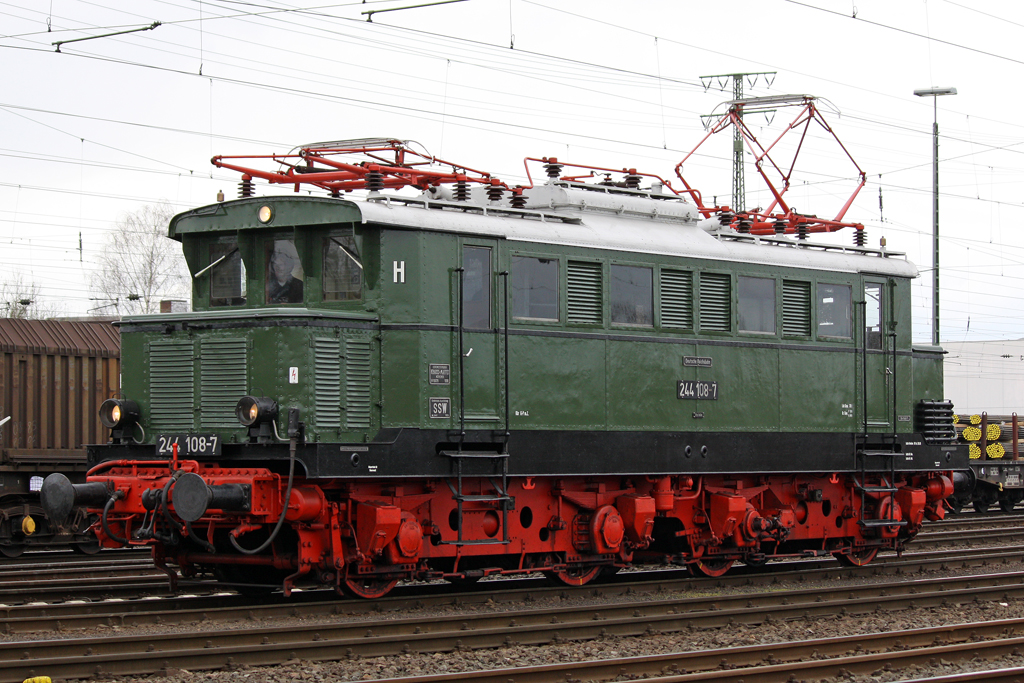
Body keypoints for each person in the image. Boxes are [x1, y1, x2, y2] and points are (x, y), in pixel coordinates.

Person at [267, 240, 304, 304]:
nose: (277, 268)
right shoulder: (268, 286)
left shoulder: (299, 286)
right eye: (275, 265)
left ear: (289, 266)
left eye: (281, 265)